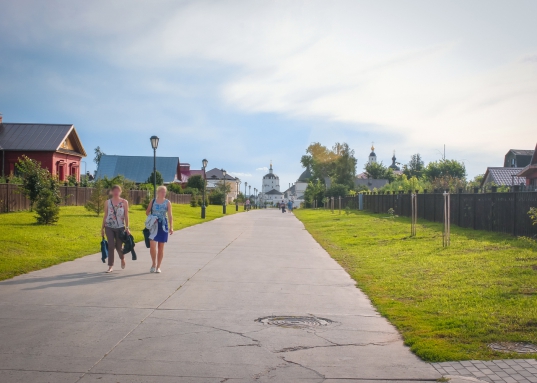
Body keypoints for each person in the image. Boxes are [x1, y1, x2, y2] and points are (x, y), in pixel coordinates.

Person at [101, 185, 130, 273]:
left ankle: (122, 258)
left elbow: (126, 215)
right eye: (114, 191)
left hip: (120, 227)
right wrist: (102, 228)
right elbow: (105, 215)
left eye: (118, 191)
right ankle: (110, 266)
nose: (116, 192)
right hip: (109, 226)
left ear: (120, 192)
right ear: (112, 192)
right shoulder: (108, 202)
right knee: (110, 245)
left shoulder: (124, 202)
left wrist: (127, 227)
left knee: (118, 246)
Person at [146, 185, 174, 273]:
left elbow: (170, 215)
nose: (163, 193)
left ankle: (158, 266)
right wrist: (152, 217)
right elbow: (147, 212)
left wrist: (171, 227)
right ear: (158, 192)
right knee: (152, 246)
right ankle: (153, 264)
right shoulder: (153, 201)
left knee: (161, 247)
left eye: (164, 192)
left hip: (163, 225)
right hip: (154, 226)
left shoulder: (167, 202)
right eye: (162, 191)